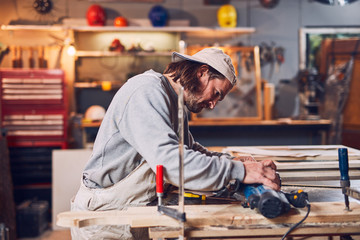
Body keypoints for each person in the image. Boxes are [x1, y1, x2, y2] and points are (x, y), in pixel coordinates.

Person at [71, 48, 280, 239]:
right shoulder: (146, 91)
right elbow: (173, 163)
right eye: (216, 93)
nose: (213, 105)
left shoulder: (175, 102)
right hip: (106, 215)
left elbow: (187, 150)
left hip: (132, 208)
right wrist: (239, 171)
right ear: (202, 72)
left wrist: (232, 161)